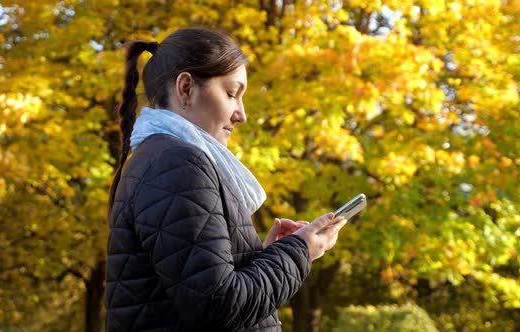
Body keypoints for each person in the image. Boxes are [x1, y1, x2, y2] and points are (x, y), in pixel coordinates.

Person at [105, 27, 347, 332]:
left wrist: (268, 255)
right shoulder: (177, 165)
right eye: (232, 93)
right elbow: (218, 307)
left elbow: (207, 289)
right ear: (186, 89)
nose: (241, 114)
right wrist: (299, 252)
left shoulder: (164, 159)